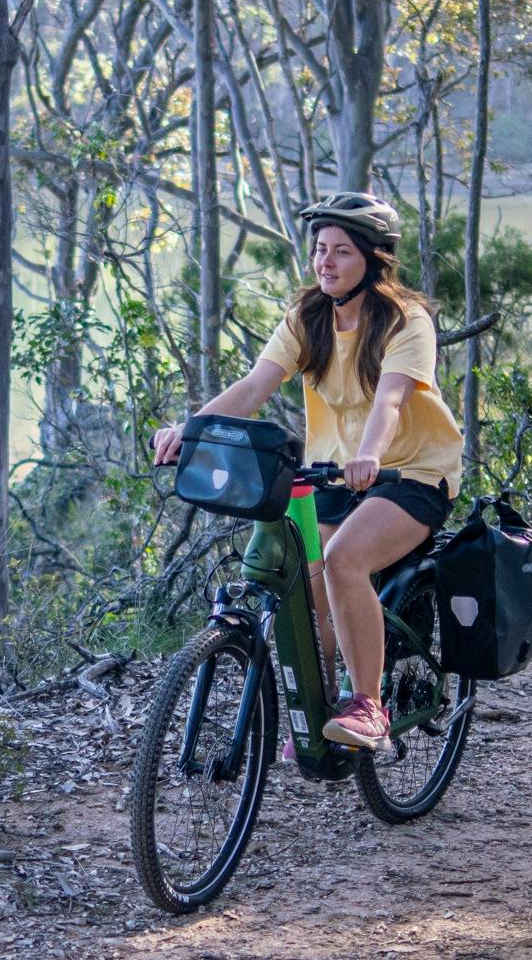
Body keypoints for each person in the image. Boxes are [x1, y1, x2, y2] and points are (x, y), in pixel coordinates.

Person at [152, 192, 463, 750]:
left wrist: (369, 456)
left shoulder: (404, 321)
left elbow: (390, 401)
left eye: (342, 251)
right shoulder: (308, 317)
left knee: (345, 559)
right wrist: (190, 429)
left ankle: (368, 705)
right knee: (305, 587)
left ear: (374, 260)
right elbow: (253, 387)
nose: (326, 262)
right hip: (335, 477)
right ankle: (318, 713)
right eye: (320, 249)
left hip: (410, 476)